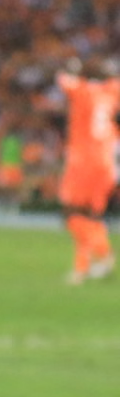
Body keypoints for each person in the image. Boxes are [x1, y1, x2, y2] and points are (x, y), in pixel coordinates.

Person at [53, 59, 120, 284]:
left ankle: (103, 252)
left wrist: (72, 66)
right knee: (91, 216)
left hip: (83, 161)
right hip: (107, 162)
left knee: (71, 214)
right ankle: (82, 267)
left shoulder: (81, 90)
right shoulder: (113, 91)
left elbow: (62, 78)